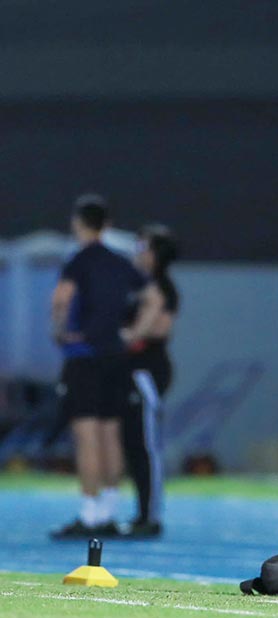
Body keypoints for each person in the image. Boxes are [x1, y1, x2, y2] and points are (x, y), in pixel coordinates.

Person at [50, 194, 147, 539]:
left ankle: (90, 516)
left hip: (85, 356)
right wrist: (132, 331)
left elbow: (61, 300)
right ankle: (109, 511)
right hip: (116, 358)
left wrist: (61, 332)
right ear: (106, 225)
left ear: (78, 223)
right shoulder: (122, 263)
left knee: (86, 434)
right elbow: (149, 297)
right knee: (111, 434)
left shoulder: (77, 261)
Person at [119, 224, 180, 538]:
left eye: (143, 247)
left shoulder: (160, 287)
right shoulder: (141, 285)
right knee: (132, 443)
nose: (137, 252)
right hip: (133, 371)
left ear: (155, 254)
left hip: (147, 372)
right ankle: (141, 511)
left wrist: (119, 337)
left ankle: (150, 516)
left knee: (146, 445)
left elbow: (152, 330)